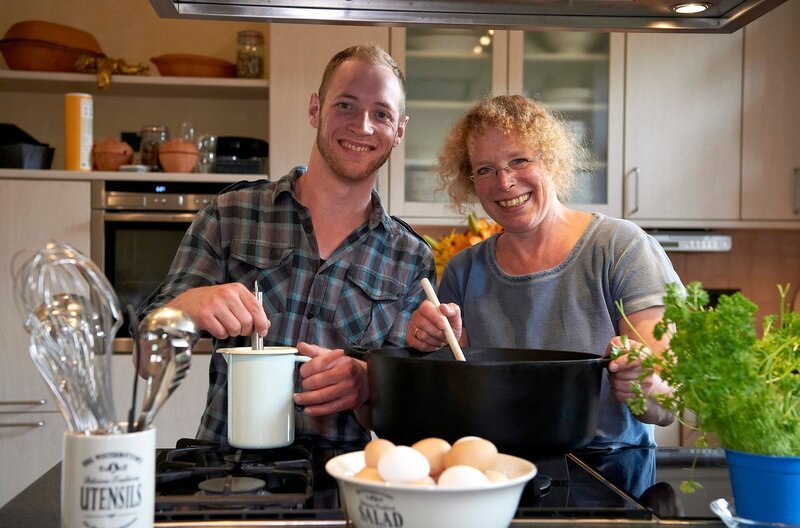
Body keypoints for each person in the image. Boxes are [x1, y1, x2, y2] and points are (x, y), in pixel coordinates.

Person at [137, 44, 435, 447]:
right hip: (228, 475)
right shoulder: (231, 215)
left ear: (399, 130)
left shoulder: (411, 258)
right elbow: (147, 363)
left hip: (344, 482)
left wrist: (367, 386)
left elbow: (407, 416)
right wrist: (185, 307)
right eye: (345, 105)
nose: (362, 126)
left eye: (381, 114)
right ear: (316, 109)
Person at [407, 94, 678, 449]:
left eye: (519, 161)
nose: (504, 182)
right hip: (496, 471)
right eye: (485, 169)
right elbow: (456, 401)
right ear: (471, 180)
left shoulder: (621, 248)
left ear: (550, 161)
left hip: (608, 477)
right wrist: (431, 344)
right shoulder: (464, 271)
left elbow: (670, 403)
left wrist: (645, 385)